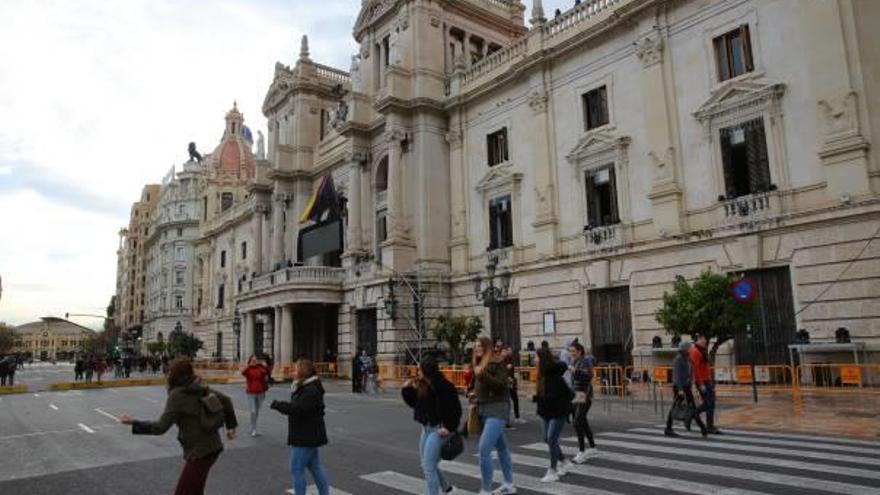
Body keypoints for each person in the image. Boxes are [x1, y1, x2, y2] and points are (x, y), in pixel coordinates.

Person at [120, 359, 237, 495]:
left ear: (174, 375)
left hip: (200, 452)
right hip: (213, 447)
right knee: (195, 490)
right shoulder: (199, 388)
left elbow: (160, 427)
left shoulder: (177, 395)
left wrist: (134, 423)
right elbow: (226, 400)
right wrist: (231, 426)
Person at [401, 356, 462, 495]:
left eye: (419, 369)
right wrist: (407, 390)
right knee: (427, 464)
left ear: (426, 370)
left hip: (440, 429)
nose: (418, 372)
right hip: (427, 428)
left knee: (428, 466)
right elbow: (416, 405)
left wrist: (449, 427)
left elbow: (456, 409)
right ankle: (447, 489)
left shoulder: (444, 386)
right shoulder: (423, 384)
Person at [270, 359, 330, 495]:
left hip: (305, 434)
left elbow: (297, 408)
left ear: (303, 372)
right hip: (309, 432)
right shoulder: (306, 387)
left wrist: (278, 405)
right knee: (314, 466)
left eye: (296, 369)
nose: (293, 372)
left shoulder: (310, 390)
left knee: (296, 468)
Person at [470, 336, 516, 495]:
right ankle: (509, 484)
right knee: (502, 447)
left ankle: (486, 489)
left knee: (484, 449)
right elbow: (482, 387)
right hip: (484, 408)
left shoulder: (497, 361)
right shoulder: (479, 363)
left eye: (480, 346)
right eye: (475, 346)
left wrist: (482, 375)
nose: (476, 348)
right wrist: (475, 395)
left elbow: (501, 384)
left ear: (487, 347)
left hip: (497, 409)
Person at [535, 347, 574, 483]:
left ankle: (553, 470)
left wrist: (535, 398)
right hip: (545, 411)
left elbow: (552, 396)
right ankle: (563, 460)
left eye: (537, 357)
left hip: (558, 411)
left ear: (543, 359)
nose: (535, 360)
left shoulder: (554, 376)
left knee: (551, 438)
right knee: (546, 438)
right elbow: (543, 395)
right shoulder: (541, 374)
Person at [666, 341, 707, 437]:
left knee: (692, 407)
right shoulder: (678, 360)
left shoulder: (688, 358)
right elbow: (677, 376)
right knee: (676, 407)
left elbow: (691, 371)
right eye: (689, 348)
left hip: (687, 386)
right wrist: (680, 390)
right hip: (679, 387)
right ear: (684, 349)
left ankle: (702, 427)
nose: (691, 349)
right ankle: (668, 428)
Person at [569, 342, 598, 463]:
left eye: (573, 351)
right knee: (582, 421)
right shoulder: (575, 361)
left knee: (577, 422)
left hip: (584, 394)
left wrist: (575, 371)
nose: (571, 354)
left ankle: (581, 452)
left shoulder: (585, 361)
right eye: (570, 351)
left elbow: (588, 376)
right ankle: (592, 447)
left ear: (579, 351)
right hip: (577, 394)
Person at [691, 334, 721, 434]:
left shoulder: (702, 350)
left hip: (707, 380)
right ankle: (693, 414)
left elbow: (705, 368)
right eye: (703, 339)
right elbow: (695, 369)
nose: (705, 341)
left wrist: (710, 381)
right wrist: (701, 384)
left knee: (711, 403)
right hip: (702, 382)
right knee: (708, 403)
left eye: (705, 339)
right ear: (698, 340)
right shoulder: (695, 351)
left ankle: (710, 425)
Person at [242, 355, 271, 437]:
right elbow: (243, 372)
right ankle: (253, 429)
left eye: (256, 360)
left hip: (261, 393)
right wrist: (249, 366)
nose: (254, 362)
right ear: (250, 361)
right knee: (253, 411)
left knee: (257, 412)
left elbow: (268, 372)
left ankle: (253, 427)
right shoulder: (248, 369)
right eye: (253, 360)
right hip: (251, 393)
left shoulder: (260, 368)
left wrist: (262, 365)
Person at [502, 346, 525, 426]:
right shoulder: (503, 360)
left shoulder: (511, 359)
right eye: (508, 350)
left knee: (515, 400)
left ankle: (516, 417)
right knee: (507, 402)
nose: (510, 351)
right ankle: (506, 420)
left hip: (512, 383)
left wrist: (515, 380)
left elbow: (513, 372)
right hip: (507, 383)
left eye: (510, 350)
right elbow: (502, 372)